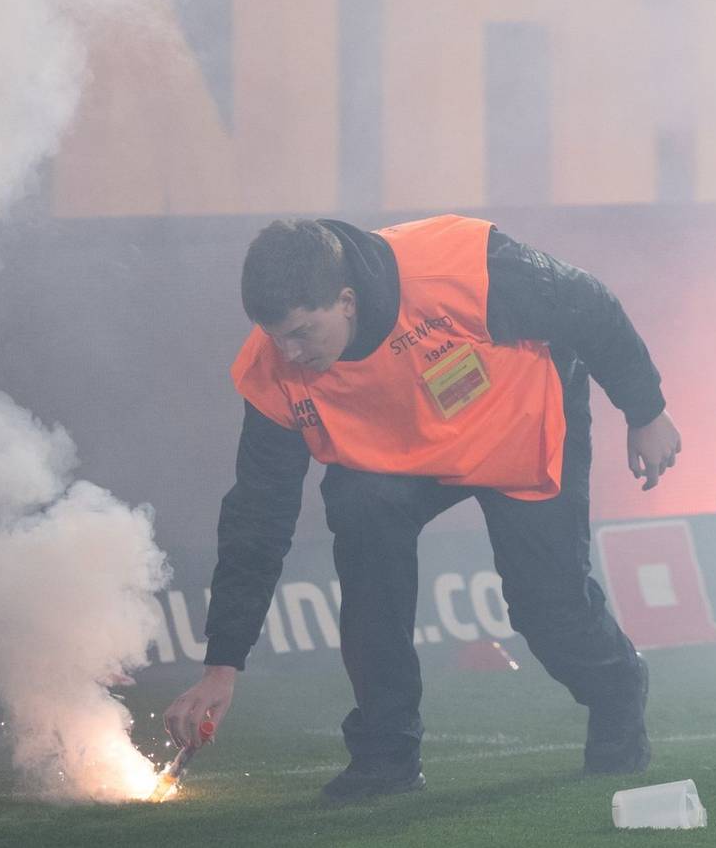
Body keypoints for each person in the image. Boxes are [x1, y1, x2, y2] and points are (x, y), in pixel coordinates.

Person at [163, 213, 681, 801]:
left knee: (547, 608)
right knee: (362, 530)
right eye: (274, 334)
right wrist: (221, 665)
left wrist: (645, 410)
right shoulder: (271, 369)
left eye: (303, 332)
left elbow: (587, 302)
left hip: (518, 426)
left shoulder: (460, 267)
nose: (288, 351)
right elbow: (256, 519)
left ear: (348, 301)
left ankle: (617, 688)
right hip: (400, 458)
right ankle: (386, 755)